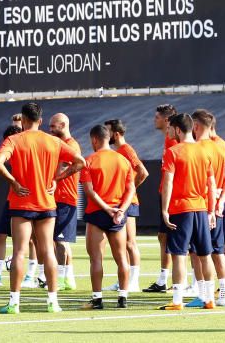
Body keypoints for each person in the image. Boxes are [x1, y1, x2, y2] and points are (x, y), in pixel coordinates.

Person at [0, 103, 85, 314]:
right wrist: (57, 178)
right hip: (46, 203)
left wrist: (13, 182)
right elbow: (80, 162)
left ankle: (14, 303)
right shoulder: (53, 140)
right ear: (41, 121)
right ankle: (53, 301)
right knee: (48, 251)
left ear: (23, 120)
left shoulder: (14, 140)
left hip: (22, 203)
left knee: (19, 252)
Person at [158, 113, 217, 311]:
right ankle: (209, 298)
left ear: (177, 129)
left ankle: (177, 300)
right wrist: (211, 210)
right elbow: (211, 183)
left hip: (180, 208)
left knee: (179, 255)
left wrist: (164, 209)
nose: (168, 132)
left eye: (170, 129)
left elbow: (168, 181)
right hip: (200, 208)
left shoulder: (173, 151)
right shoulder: (205, 151)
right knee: (205, 255)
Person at [80, 125, 135, 310]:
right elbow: (131, 190)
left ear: (94, 139)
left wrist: (106, 208)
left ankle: (97, 300)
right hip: (118, 214)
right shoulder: (123, 160)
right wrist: (120, 210)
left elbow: (89, 191)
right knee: (122, 258)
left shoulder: (89, 160)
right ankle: (123, 298)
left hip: (97, 213)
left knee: (96, 259)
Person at [193, 109, 225, 307]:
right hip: (218, 203)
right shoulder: (220, 148)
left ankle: (205, 295)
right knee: (218, 249)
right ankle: (223, 293)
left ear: (196, 126)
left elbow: (205, 181)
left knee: (201, 251)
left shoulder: (197, 149)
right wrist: (221, 201)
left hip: (202, 204)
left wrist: (213, 205)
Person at [102, 119, 148, 293]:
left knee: (129, 243)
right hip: (122, 202)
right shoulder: (117, 151)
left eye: (108, 131)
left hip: (129, 203)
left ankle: (133, 282)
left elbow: (143, 172)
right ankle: (124, 280)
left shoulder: (126, 150)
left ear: (116, 133)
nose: (105, 135)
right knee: (121, 245)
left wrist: (130, 191)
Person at [144, 104, 181, 294]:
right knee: (163, 236)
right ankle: (163, 279)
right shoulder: (168, 139)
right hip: (166, 195)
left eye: (157, 117)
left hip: (175, 198)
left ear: (167, 120)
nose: (154, 120)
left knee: (178, 241)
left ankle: (187, 283)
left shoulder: (174, 142)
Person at [49, 113, 81, 291]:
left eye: (53, 126)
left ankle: (61, 278)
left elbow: (71, 166)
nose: (50, 129)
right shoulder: (62, 145)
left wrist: (56, 178)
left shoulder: (71, 145)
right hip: (60, 197)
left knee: (60, 240)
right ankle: (68, 277)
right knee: (62, 241)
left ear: (63, 125)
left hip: (65, 198)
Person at [0, 125, 22, 285]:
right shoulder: (11, 155)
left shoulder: (29, 149)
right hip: (12, 199)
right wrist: (13, 182)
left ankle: (35, 275)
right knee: (0, 235)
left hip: (30, 200)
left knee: (31, 240)